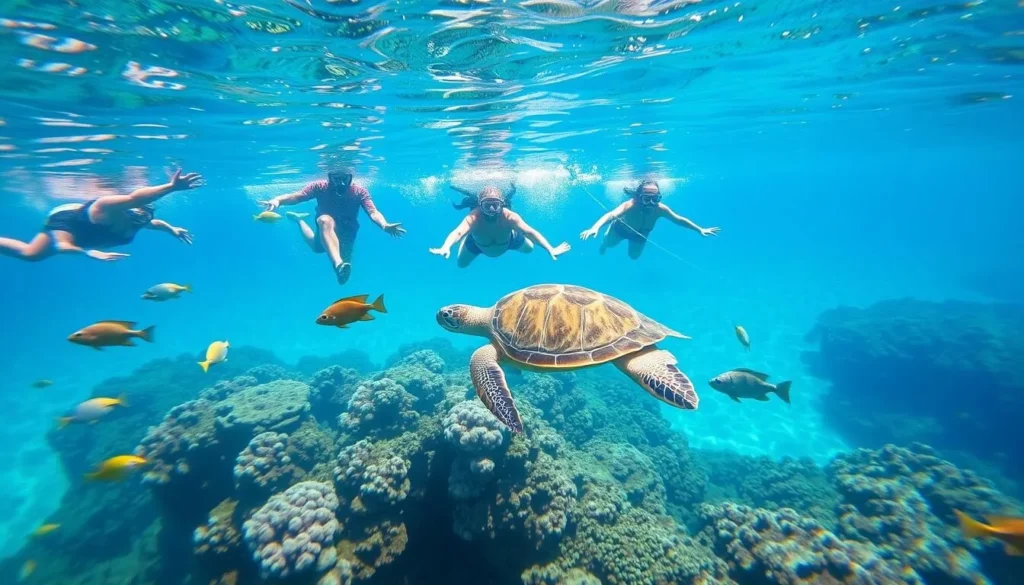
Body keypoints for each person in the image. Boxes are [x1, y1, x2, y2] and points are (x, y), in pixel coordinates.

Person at [0, 169, 202, 263]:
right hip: (68, 221)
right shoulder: (105, 208)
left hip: (93, 232)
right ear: (128, 210)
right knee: (31, 255)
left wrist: (172, 230)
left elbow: (154, 224)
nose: (144, 218)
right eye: (141, 211)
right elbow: (61, 245)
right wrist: (171, 187)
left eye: (146, 214)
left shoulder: (138, 220)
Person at [259, 169, 405, 285]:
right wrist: (278, 200)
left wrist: (384, 225)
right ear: (329, 178)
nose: (340, 183)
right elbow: (297, 196)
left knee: (341, 278)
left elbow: (373, 212)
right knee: (324, 220)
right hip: (326, 228)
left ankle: (298, 219)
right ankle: (337, 262)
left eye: (344, 179)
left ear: (350, 178)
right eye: (336, 179)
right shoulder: (319, 187)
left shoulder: (359, 191)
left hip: (348, 232)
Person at [429, 183, 570, 267]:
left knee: (530, 249)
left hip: (510, 241)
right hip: (477, 244)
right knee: (461, 265)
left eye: (495, 205)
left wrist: (550, 249)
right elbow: (458, 232)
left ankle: (515, 232)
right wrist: (446, 247)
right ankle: (469, 236)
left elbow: (530, 232)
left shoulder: (509, 216)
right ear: (480, 205)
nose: (491, 210)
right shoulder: (474, 217)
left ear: (502, 205)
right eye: (487, 205)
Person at [579, 179, 719, 259]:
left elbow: (679, 220)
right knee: (608, 244)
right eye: (647, 199)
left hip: (641, 235)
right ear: (639, 197)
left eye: (655, 199)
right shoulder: (630, 206)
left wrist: (700, 229)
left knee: (633, 257)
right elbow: (611, 215)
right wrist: (595, 228)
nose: (651, 203)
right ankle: (603, 244)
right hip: (620, 229)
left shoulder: (660, 209)